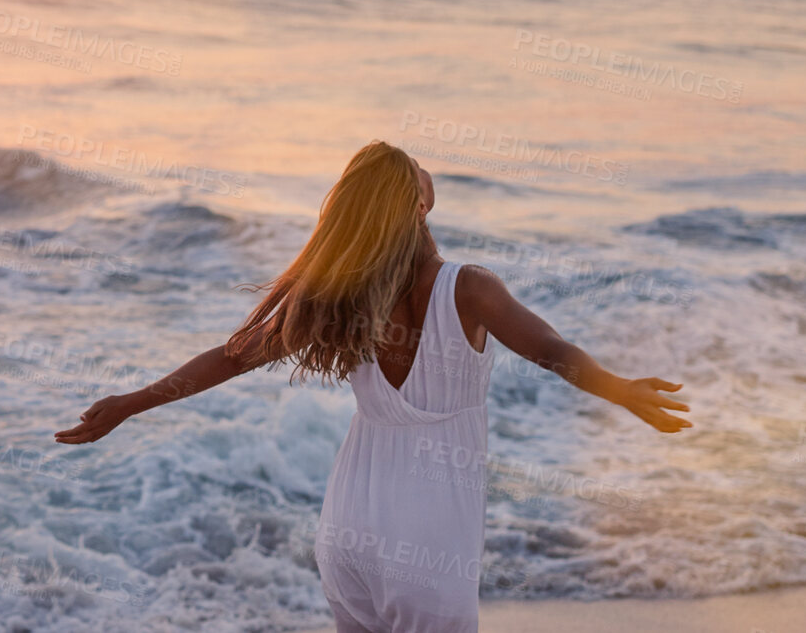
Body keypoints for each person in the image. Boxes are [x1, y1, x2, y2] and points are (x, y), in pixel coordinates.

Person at [55, 140, 690, 633]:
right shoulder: (468, 289)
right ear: (420, 203)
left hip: (349, 532)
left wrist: (130, 404)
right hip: (429, 541)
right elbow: (550, 351)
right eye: (416, 172)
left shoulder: (339, 300)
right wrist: (620, 391)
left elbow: (231, 358)